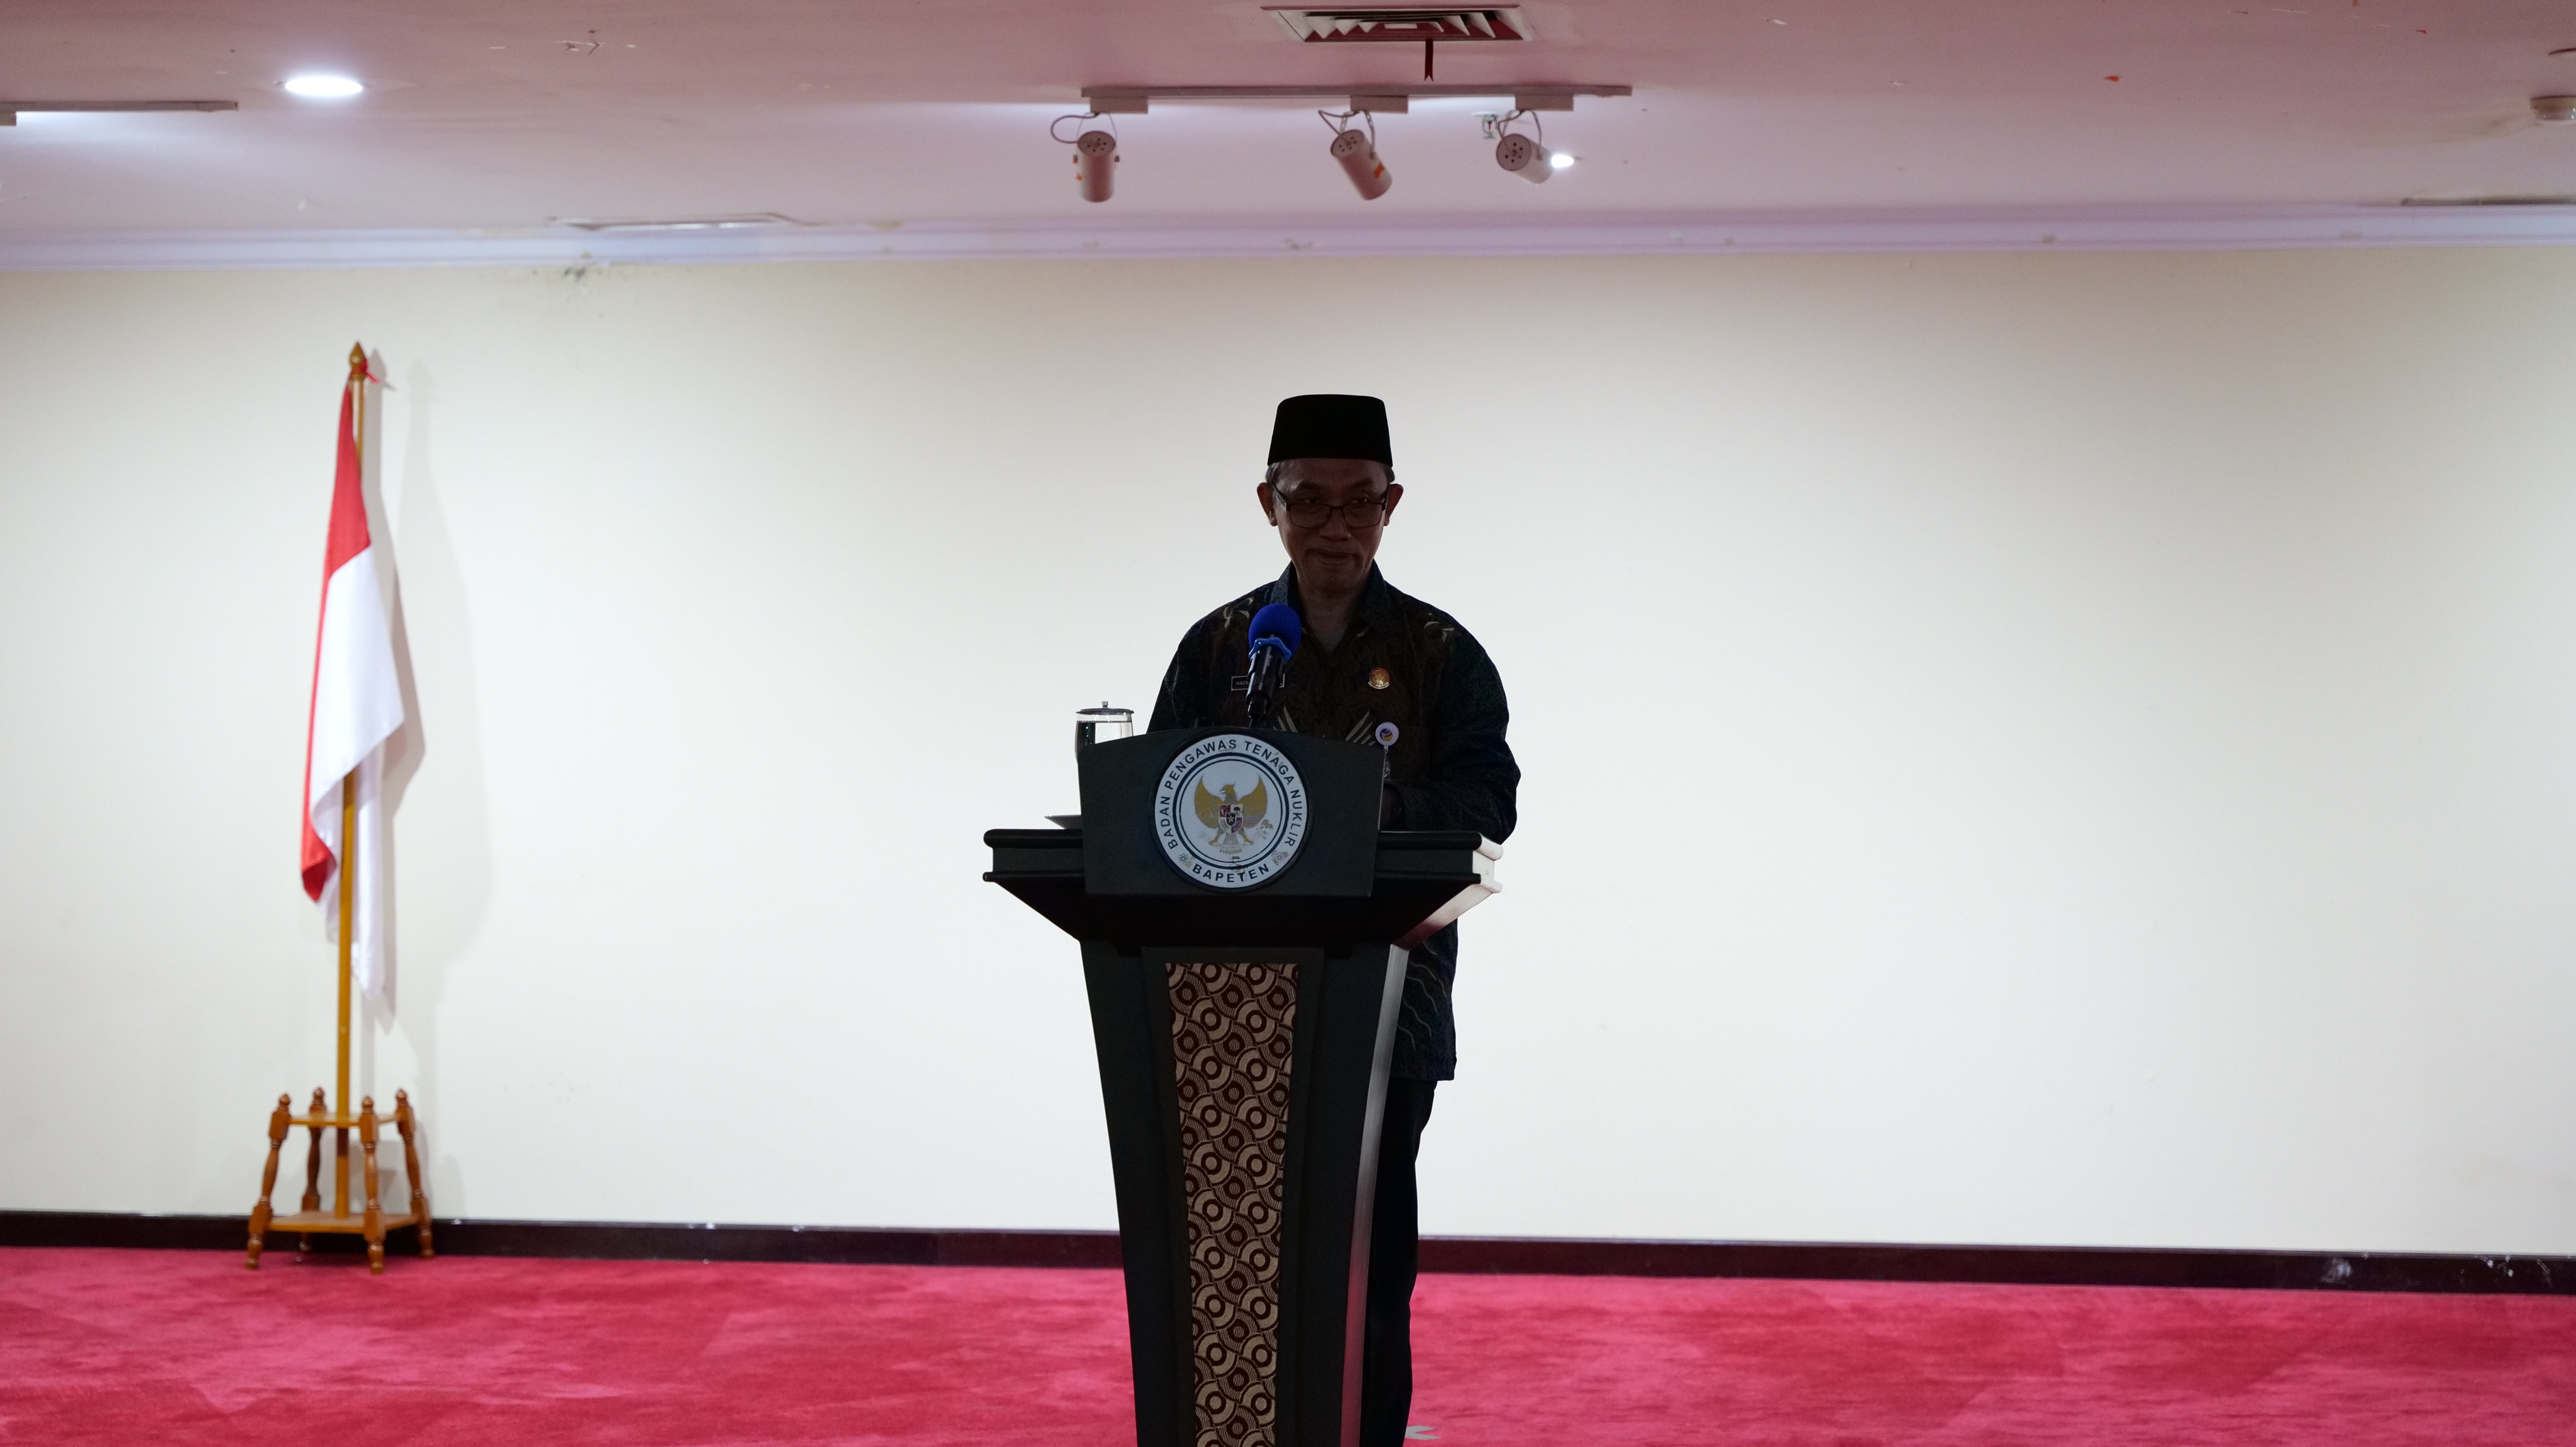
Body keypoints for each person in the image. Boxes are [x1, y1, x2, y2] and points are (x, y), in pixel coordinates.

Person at [1148, 393, 1519, 1447]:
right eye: (1309, 500)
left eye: (1360, 502)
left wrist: (1357, 805)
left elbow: (1489, 805)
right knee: (1234, 1262)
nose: (1334, 524)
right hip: (1227, 1011)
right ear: (1269, 504)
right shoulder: (1221, 647)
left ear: (1392, 506)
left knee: (1366, 1268)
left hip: (1388, 1003)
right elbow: (1157, 803)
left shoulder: (1441, 652)